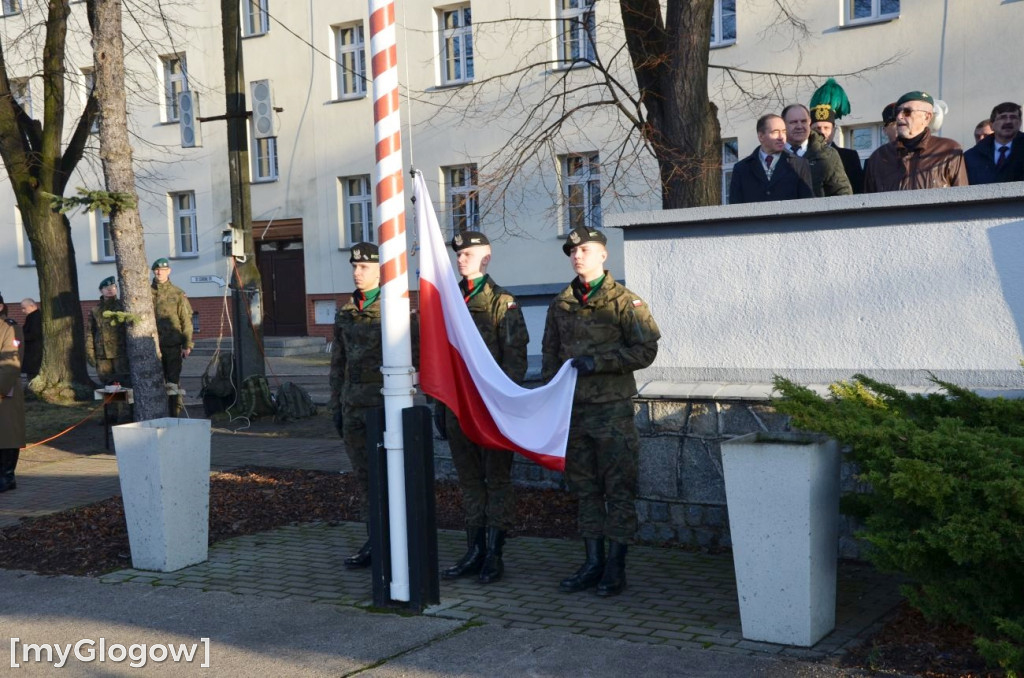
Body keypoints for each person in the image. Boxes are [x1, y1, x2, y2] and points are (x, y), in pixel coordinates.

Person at [541, 226, 660, 597]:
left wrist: (601, 362)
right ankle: (592, 562)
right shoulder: (561, 304)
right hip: (574, 412)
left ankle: (615, 566)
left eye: (586, 250)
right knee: (585, 490)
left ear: (603, 255)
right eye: (573, 251)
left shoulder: (625, 302)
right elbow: (550, 356)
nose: (578, 256)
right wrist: (549, 398)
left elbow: (646, 351)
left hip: (612, 412)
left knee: (618, 489)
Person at [440, 231, 529, 585]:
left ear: (486, 257)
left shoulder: (500, 302)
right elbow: (438, 357)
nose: (461, 259)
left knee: (497, 481)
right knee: (470, 482)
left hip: (491, 411)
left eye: (468, 253)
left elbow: (515, 361)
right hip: (457, 407)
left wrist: (504, 406)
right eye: (458, 254)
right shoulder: (447, 301)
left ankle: (494, 553)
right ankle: (474, 549)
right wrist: (437, 402)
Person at [329, 242, 384, 570]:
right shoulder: (347, 310)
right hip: (353, 408)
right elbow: (338, 362)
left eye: (364, 267)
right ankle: (373, 539)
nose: (357, 272)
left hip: (382, 408)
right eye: (354, 266)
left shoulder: (395, 308)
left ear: (379, 269)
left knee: (387, 476)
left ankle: (392, 537)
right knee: (364, 478)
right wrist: (335, 405)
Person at [863, 91, 968, 193]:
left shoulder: (948, 150)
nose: (899, 117)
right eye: (897, 112)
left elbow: (962, 199)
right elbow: (868, 204)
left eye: (907, 112)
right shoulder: (879, 156)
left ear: (927, 117)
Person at [729, 114, 814, 204]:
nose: (781, 137)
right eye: (775, 132)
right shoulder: (742, 168)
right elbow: (735, 205)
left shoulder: (799, 164)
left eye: (784, 132)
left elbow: (807, 204)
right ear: (761, 136)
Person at [151, 258, 193, 415]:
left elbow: (186, 321)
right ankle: (158, 413)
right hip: (152, 346)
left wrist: (187, 344)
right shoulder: (146, 293)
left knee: (173, 382)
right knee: (154, 382)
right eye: (156, 270)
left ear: (169, 271)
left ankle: (175, 413)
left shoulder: (177, 293)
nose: (159, 272)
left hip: (172, 345)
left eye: (163, 269)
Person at [781, 104, 852, 197]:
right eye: (794, 122)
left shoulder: (827, 155)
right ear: (783, 124)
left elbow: (842, 192)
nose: (799, 126)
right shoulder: (772, 154)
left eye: (803, 121)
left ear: (809, 122)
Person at [808, 104, 864, 194]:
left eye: (826, 128)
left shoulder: (849, 156)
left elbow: (858, 188)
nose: (822, 132)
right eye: (817, 128)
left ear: (834, 130)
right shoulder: (804, 155)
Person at [0, 293, 25, 492]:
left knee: (7, 433)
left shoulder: (9, 327)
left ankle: (7, 476)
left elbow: (11, 362)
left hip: (4, 389)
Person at [964, 102, 1024, 185]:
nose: (1008, 122)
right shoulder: (971, 157)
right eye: (1002, 118)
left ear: (1020, 123)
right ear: (992, 125)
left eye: (1013, 117)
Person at [86, 276, 130, 386]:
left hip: (120, 354)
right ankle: (111, 404)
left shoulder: (123, 307)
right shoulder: (95, 310)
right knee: (107, 385)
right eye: (106, 287)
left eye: (113, 287)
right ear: (101, 291)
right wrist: (90, 353)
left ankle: (125, 404)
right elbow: (90, 333)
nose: (110, 289)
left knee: (124, 384)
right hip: (102, 355)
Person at [18, 298, 41, 382]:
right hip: (33, 353)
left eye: (24, 308)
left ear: (32, 306)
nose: (22, 311)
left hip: (34, 353)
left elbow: (34, 334)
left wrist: (20, 336)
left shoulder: (35, 317)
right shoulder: (32, 317)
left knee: (32, 377)